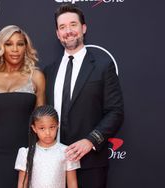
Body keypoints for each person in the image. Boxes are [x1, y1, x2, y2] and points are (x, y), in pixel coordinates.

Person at [44, 4, 124, 188]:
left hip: (91, 163)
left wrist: (91, 140)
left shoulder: (103, 66)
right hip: (53, 164)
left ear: (83, 28)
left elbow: (115, 112)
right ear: (57, 34)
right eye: (62, 27)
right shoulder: (49, 71)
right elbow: (37, 111)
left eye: (73, 24)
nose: (68, 31)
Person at [0, 25, 45, 188]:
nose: (15, 49)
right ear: (1, 47)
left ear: (26, 47)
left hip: (27, 152)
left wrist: (41, 155)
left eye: (20, 44)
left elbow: (42, 121)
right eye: (8, 44)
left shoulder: (36, 77)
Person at [15, 105, 80, 188]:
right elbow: (22, 183)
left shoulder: (67, 151)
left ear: (58, 125)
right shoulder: (26, 153)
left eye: (52, 127)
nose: (48, 133)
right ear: (34, 128)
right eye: (42, 128)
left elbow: (72, 183)